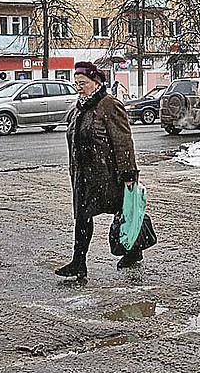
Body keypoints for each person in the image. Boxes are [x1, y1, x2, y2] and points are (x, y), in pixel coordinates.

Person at [56, 61, 142, 279]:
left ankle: (134, 250)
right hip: (84, 175)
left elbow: (123, 141)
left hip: (107, 174)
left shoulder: (109, 104)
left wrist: (128, 173)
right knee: (83, 216)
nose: (78, 86)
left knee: (125, 212)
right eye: (76, 83)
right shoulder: (79, 107)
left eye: (82, 82)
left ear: (96, 82)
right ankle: (79, 262)